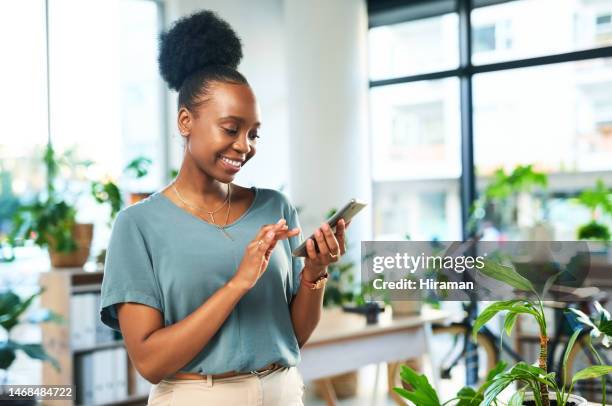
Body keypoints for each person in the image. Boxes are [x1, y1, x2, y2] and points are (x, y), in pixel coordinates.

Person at [99, 9, 350, 406]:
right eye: (231, 129)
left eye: (253, 134)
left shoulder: (275, 207)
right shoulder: (138, 225)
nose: (245, 145)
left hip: (282, 389)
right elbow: (149, 361)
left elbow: (293, 336)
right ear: (186, 121)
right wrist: (238, 282)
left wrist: (314, 274)